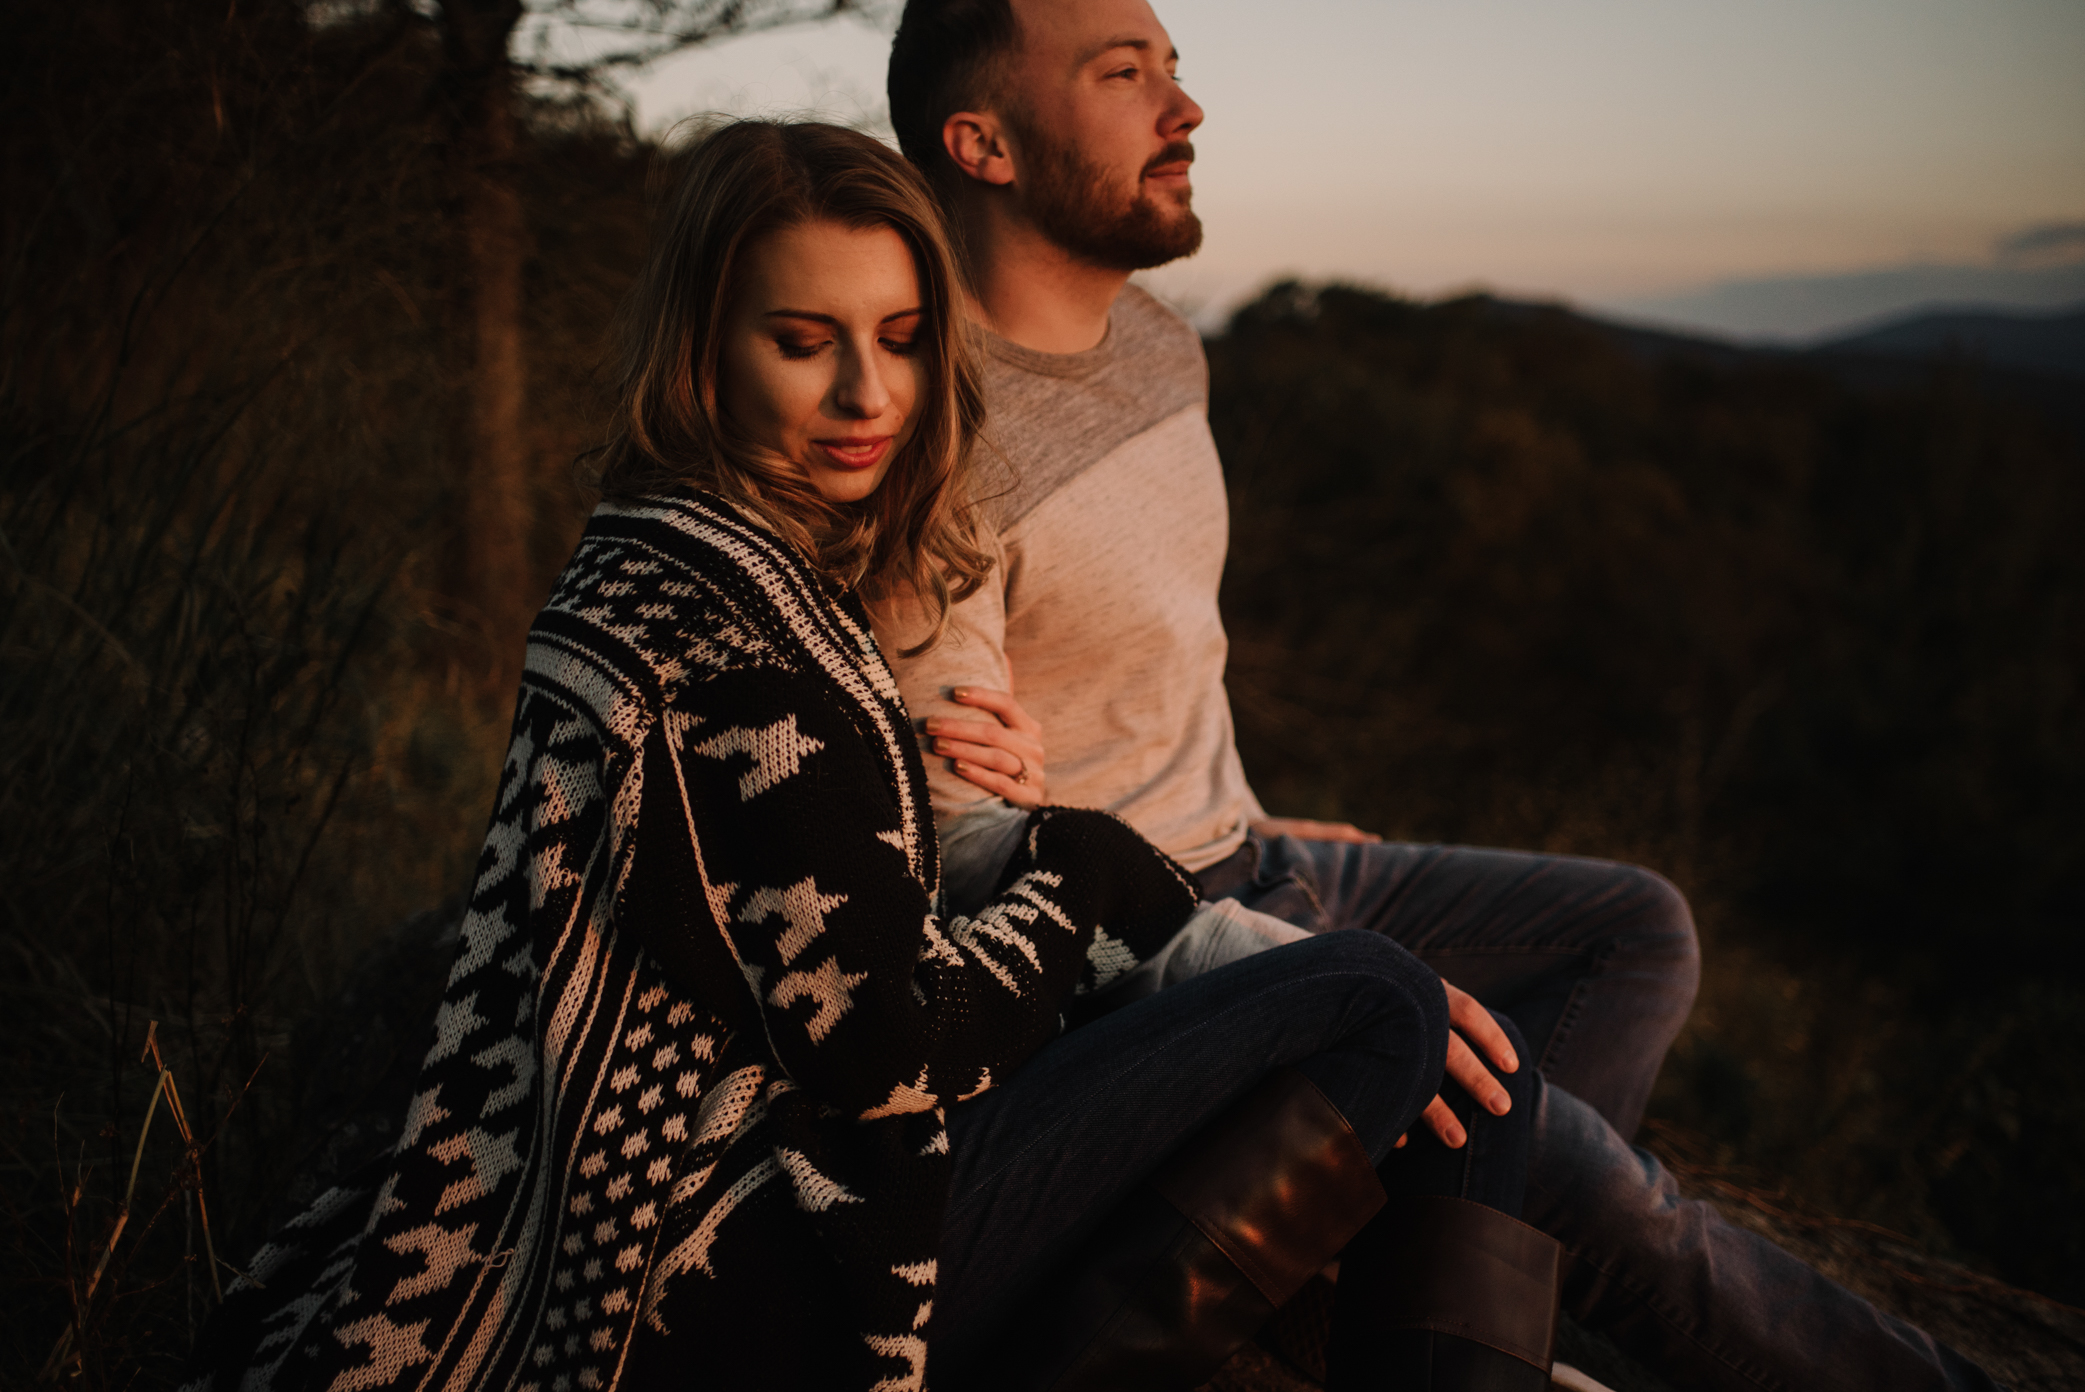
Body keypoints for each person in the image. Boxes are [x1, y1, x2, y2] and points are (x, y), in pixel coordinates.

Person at [180, 119, 1556, 1392]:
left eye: (900, 336)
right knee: (1378, 1000)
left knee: (1361, 1014)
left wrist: (893, 768)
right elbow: (881, 1049)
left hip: (682, 1203)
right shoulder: (746, 628)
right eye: (802, 339)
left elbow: (761, 894)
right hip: (754, 1264)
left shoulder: (649, 569)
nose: (865, 392)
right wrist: (1077, 857)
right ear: (701, 345)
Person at [872, 1, 2009, 1389]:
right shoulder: (929, 433)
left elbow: (1152, 658)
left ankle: (1417, 1258)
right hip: (1167, 938)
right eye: (1124, 77)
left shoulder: (1161, 345)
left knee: (1633, 931)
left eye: (1175, 69)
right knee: (1590, 1175)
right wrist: (1246, 936)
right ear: (978, 142)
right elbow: (971, 834)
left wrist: (1266, 809)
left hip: (1261, 845)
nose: (1187, 109)